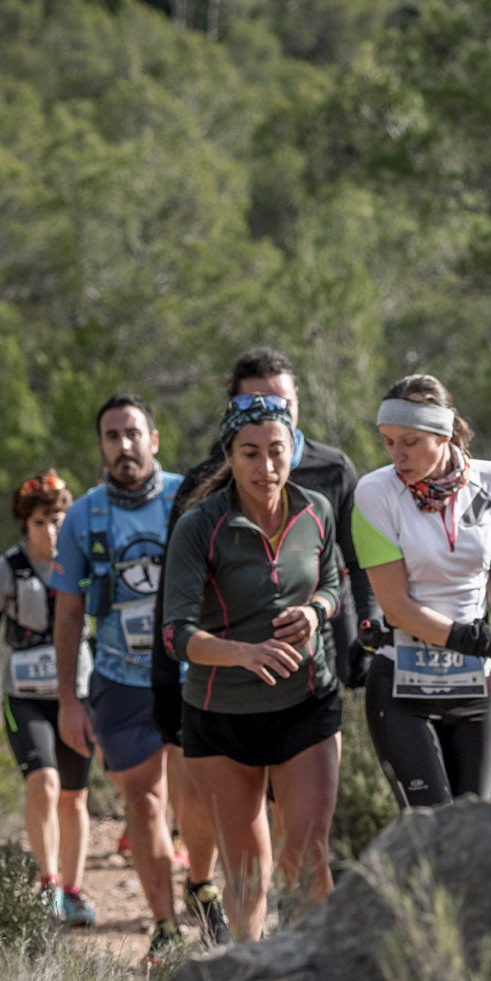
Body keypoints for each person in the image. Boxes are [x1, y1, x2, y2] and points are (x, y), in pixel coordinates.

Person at [50, 396, 228, 959]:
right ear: (100, 446)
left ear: (154, 439)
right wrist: (68, 700)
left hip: (190, 672)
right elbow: (68, 613)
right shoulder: (84, 516)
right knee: (144, 804)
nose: (123, 446)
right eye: (111, 436)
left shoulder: (190, 496)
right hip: (119, 680)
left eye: (133, 434)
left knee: (195, 794)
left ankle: (200, 882)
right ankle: (165, 926)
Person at [162, 393, 344, 941]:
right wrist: (244, 652)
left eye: (277, 451)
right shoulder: (200, 527)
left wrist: (316, 613)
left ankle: (321, 980)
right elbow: (175, 634)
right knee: (247, 874)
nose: (266, 467)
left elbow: (335, 583)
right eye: (250, 454)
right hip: (222, 714)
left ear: (293, 450)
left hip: (307, 705)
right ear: (229, 456)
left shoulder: (317, 510)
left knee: (307, 859)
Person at [150, 347, 378, 748]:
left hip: (315, 675)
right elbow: (174, 595)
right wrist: (165, 684)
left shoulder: (334, 470)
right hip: (227, 692)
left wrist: (361, 643)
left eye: (282, 403)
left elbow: (355, 566)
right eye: (250, 453)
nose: (266, 467)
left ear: (297, 406)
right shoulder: (203, 488)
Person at [352, 374, 491, 808]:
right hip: (402, 689)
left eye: (409, 441)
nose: (396, 455)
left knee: (472, 830)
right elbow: (400, 609)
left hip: (475, 689)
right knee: (430, 831)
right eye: (388, 442)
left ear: (444, 434)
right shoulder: (375, 492)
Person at [0, 470, 92, 920]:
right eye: (40, 523)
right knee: (44, 783)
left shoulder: (86, 562)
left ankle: (74, 891)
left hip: (77, 693)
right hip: (25, 696)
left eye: (58, 520)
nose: (51, 531)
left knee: (74, 796)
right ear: (26, 524)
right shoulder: (6, 571)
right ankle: (48, 882)